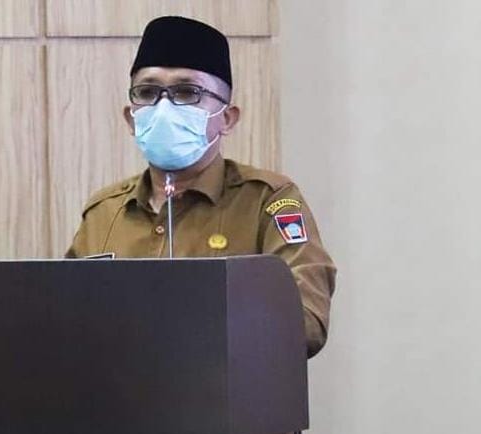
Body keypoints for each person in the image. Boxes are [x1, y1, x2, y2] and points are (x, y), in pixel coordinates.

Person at [65, 16, 336, 358]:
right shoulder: (105, 212)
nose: (164, 107)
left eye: (187, 92)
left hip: (226, 389)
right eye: (147, 92)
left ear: (227, 118)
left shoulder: (266, 202)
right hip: (117, 391)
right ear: (130, 117)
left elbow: (307, 322)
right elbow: (63, 321)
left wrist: (186, 327)